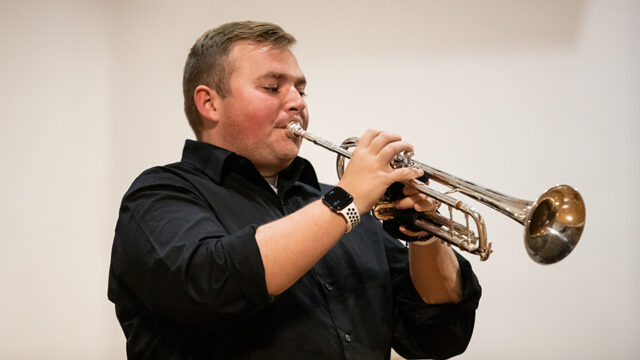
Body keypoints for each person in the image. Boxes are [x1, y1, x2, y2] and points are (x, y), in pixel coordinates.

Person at [108, 21, 481, 360]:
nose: (298, 102)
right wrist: (347, 200)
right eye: (273, 87)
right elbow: (213, 284)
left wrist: (425, 236)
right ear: (209, 103)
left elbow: (436, 335)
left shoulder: (341, 204)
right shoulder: (159, 195)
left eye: (301, 90)